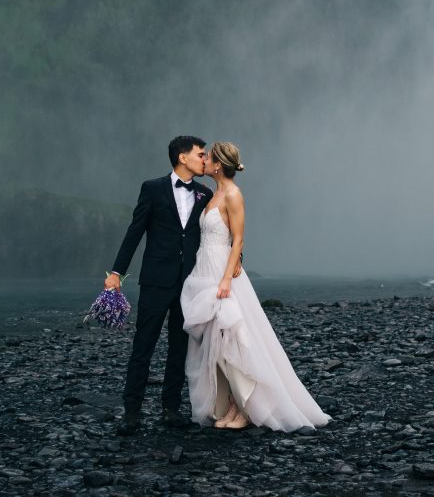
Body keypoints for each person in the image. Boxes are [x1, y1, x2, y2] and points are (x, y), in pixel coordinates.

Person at [180, 142, 330, 431]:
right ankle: (230, 405)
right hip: (205, 267)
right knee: (214, 341)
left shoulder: (234, 195)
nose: (205, 161)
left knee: (232, 339)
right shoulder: (213, 195)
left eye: (209, 157)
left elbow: (237, 238)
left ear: (219, 165)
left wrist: (226, 278)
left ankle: (243, 408)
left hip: (222, 272)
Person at [106, 136, 213, 436]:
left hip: (189, 282)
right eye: (200, 154)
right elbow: (135, 232)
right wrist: (117, 272)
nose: (205, 159)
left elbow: (215, 232)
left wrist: (236, 257)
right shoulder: (152, 188)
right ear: (182, 157)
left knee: (179, 347)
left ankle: (171, 409)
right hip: (155, 280)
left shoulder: (205, 193)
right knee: (144, 345)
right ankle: (132, 412)